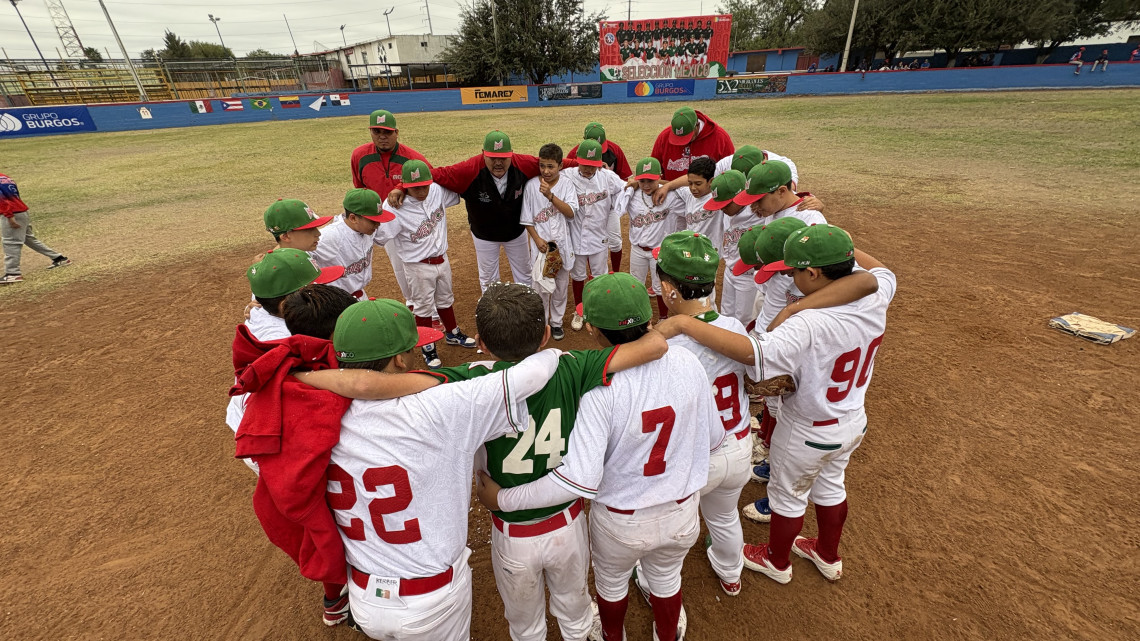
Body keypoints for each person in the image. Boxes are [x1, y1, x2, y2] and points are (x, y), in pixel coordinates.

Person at [479, 272, 724, 641]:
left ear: (592, 330)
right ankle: (667, 635)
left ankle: (613, 636)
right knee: (667, 578)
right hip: (682, 510)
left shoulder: (597, 388)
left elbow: (579, 478)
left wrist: (503, 498)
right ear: (650, 318)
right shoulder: (689, 363)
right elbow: (714, 439)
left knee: (611, 586)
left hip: (622, 521)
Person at [657, 225, 896, 585]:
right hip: (852, 419)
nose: (789, 277)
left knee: (787, 498)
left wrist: (682, 325)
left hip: (808, 428)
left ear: (812, 273)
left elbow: (754, 354)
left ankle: (776, 561)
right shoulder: (878, 296)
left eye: (794, 271)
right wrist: (823, 240)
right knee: (832, 486)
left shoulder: (807, 325)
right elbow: (878, 274)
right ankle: (828, 555)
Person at [314, 299, 563, 641]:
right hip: (430, 602)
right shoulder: (444, 408)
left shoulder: (312, 420)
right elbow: (533, 373)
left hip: (363, 596)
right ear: (401, 359)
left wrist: (309, 378)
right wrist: (559, 354)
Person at [653, 231, 753, 598]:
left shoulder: (667, 346)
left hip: (695, 460)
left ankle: (654, 583)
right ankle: (731, 574)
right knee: (724, 516)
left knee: (671, 532)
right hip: (740, 445)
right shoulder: (734, 328)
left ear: (669, 289)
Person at [388, 131, 576, 291]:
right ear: (482, 154)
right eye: (492, 157)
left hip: (515, 232)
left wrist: (585, 164)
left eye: (503, 158)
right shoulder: (468, 170)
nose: (498, 163)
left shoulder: (523, 163)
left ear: (511, 155)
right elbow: (433, 175)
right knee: (488, 278)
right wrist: (401, 187)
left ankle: (526, 313)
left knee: (525, 274)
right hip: (484, 234)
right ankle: (491, 315)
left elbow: (555, 163)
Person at [225, 249, 346, 474]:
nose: (323, 289)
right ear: (289, 301)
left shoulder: (266, 302)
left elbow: (260, 269)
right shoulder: (288, 340)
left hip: (259, 416)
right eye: (315, 287)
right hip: (266, 435)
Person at [374, 160, 478, 368]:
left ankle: (452, 333)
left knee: (446, 299)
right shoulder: (394, 206)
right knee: (423, 308)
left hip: (442, 258)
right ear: (405, 185)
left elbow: (456, 187)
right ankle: (428, 348)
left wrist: (403, 187)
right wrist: (393, 195)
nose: (421, 191)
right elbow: (380, 237)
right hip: (417, 265)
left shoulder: (436, 191)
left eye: (424, 186)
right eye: (414, 187)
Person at [350, 109, 431, 311]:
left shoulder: (412, 158)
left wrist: (402, 187)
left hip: (411, 218)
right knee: (397, 262)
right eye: (376, 131)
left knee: (417, 261)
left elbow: (430, 179)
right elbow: (359, 188)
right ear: (371, 132)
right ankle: (412, 301)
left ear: (396, 132)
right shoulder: (360, 156)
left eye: (387, 132)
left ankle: (429, 303)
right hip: (381, 220)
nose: (382, 136)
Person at [561, 139, 628, 332]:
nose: (588, 169)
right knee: (578, 276)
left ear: (600, 163)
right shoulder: (567, 176)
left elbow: (626, 188)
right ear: (577, 161)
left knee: (600, 276)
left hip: (599, 236)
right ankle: (580, 311)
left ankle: (600, 310)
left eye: (593, 165)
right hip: (576, 235)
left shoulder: (607, 177)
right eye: (584, 164)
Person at [521, 144, 580, 340]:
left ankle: (556, 323)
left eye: (551, 166)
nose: (546, 171)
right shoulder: (530, 186)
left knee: (561, 286)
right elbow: (527, 219)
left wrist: (550, 196)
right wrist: (536, 239)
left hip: (562, 244)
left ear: (560, 166)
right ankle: (542, 323)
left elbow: (571, 212)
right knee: (540, 287)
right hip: (541, 246)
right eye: (542, 166)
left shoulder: (567, 185)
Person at [623, 157, 685, 319]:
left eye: (651, 180)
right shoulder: (632, 194)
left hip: (660, 251)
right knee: (635, 284)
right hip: (637, 249)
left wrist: (666, 185)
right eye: (642, 181)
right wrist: (633, 184)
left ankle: (663, 317)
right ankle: (638, 316)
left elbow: (690, 191)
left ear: (660, 176)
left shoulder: (671, 195)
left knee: (660, 287)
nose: (646, 185)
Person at [568, 122, 633, 271]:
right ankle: (593, 273)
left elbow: (625, 180)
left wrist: (607, 178)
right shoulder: (574, 153)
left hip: (608, 205)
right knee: (589, 241)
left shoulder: (614, 149)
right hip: (586, 206)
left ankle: (615, 273)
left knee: (615, 242)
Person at [310, 188, 394, 300]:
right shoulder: (331, 236)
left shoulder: (366, 229)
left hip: (359, 296)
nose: (378, 224)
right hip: (335, 302)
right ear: (353, 218)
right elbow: (295, 252)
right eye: (373, 220)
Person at [1, 172, 70, 284]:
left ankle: (12, 273)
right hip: (22, 211)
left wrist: (9, 216)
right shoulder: (4, 177)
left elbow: (2, 200)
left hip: (12, 213)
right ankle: (59, 258)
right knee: (28, 239)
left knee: (11, 242)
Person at [650, 106, 735, 181]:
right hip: (671, 193)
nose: (682, 142)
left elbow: (730, 172)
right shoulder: (664, 136)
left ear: (697, 126)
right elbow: (653, 170)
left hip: (707, 195)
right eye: (677, 138)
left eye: (687, 136)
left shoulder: (720, 137)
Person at [263, 198, 332, 253]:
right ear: (285, 237)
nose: (318, 233)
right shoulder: (286, 269)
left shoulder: (300, 256)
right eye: (309, 229)